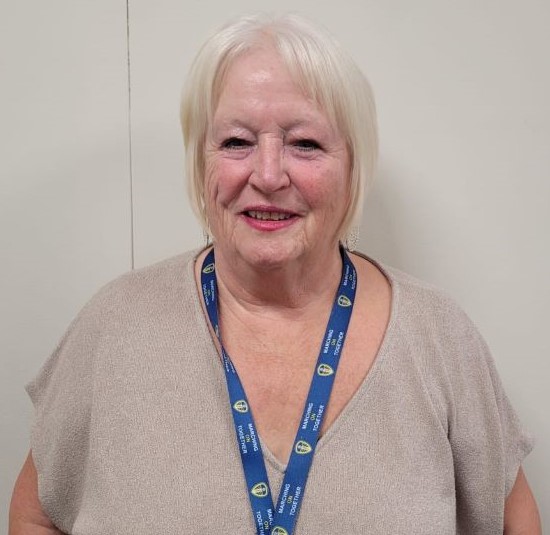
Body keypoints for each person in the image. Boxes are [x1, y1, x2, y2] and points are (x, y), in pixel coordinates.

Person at [10, 13, 541, 535]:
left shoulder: (438, 336)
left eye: (304, 144)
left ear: (353, 167)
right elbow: (35, 516)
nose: (267, 175)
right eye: (236, 142)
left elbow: (515, 522)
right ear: (201, 163)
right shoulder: (114, 326)